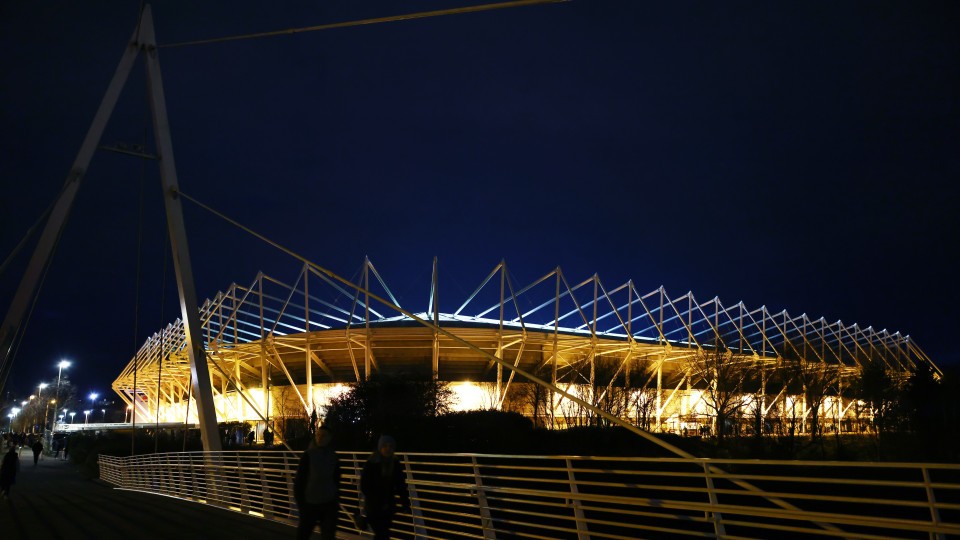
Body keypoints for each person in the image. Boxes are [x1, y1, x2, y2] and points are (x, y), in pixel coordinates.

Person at [294, 426, 340, 540]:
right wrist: (302, 505)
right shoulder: (308, 455)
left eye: (323, 435)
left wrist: (335, 500)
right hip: (310, 503)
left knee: (328, 535)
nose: (320, 438)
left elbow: (336, 480)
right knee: (304, 534)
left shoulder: (333, 456)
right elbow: (300, 480)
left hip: (328, 504)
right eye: (318, 435)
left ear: (330, 438)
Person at [360, 435, 410, 540]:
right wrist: (376, 499)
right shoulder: (371, 463)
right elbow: (364, 485)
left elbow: (401, 485)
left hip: (388, 507)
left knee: (382, 533)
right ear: (380, 447)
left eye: (391, 446)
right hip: (374, 506)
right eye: (385, 446)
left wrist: (405, 503)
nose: (388, 449)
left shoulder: (395, 463)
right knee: (382, 533)